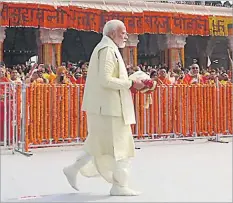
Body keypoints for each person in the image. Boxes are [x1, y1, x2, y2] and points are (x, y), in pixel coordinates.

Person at [63, 19, 145, 196]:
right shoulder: (107, 50)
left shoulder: (108, 48)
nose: (125, 36)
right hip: (109, 109)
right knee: (121, 147)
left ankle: (73, 168)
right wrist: (131, 82)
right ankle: (119, 185)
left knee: (98, 144)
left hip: (106, 107)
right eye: (122, 33)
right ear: (112, 33)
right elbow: (105, 80)